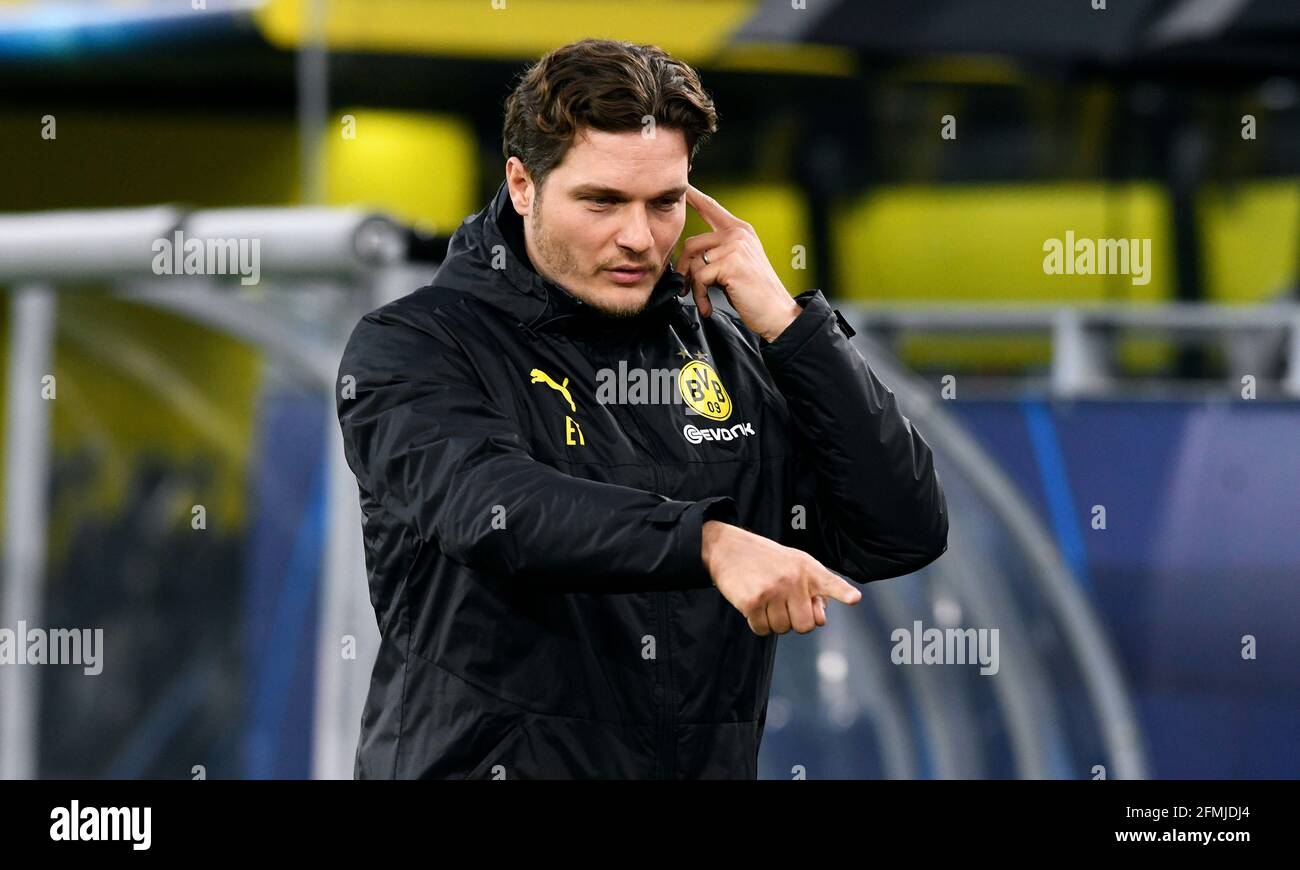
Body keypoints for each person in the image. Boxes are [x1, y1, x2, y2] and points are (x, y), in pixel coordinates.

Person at [335, 38, 948, 779]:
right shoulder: (415, 344)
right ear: (523, 185)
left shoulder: (728, 354)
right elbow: (493, 509)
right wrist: (711, 542)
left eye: (665, 204)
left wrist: (791, 328)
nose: (637, 237)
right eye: (602, 201)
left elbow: (902, 528)